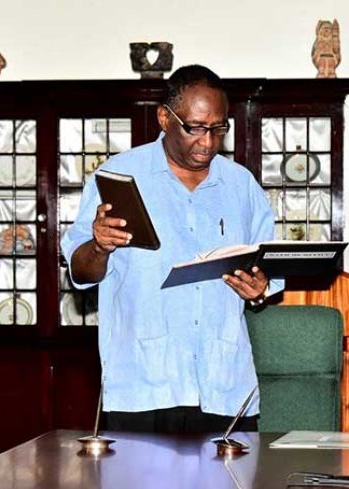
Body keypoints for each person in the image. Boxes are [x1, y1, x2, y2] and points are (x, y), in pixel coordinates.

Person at [61, 65, 277, 433]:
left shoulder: (242, 186)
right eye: (194, 128)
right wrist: (99, 245)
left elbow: (267, 269)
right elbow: (80, 271)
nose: (207, 142)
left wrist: (260, 290)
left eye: (218, 128)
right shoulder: (120, 176)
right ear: (165, 118)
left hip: (224, 385)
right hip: (143, 387)